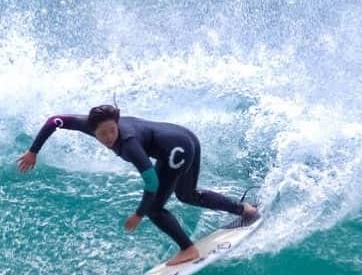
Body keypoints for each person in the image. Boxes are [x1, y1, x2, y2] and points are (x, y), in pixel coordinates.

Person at [17, 104, 259, 265]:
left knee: (155, 209)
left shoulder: (129, 143)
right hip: (185, 138)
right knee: (187, 195)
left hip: (177, 149)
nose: (110, 137)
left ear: (117, 123)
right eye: (103, 133)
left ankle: (188, 250)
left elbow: (151, 182)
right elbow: (54, 121)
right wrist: (33, 151)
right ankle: (245, 210)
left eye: (113, 130)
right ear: (92, 130)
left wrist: (139, 213)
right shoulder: (87, 125)